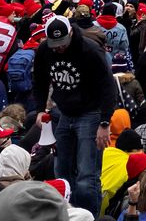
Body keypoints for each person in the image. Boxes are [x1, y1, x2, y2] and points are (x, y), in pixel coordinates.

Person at [34, 16, 123, 214]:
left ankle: (88, 216)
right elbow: (39, 80)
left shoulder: (90, 50)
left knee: (86, 175)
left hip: (90, 113)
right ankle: (66, 214)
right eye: (54, 45)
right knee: (61, 171)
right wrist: (40, 108)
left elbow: (108, 87)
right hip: (63, 112)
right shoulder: (44, 50)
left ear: (71, 33)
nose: (59, 48)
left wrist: (104, 121)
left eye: (62, 44)